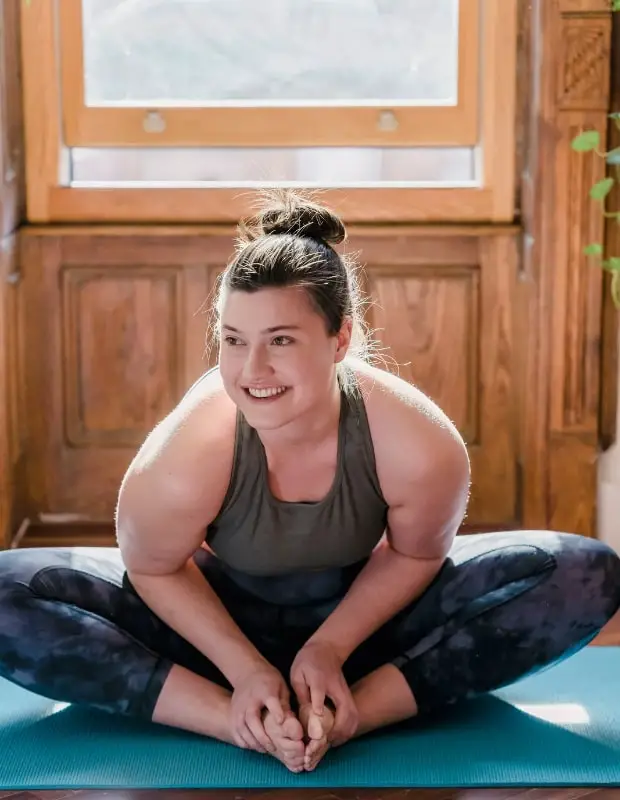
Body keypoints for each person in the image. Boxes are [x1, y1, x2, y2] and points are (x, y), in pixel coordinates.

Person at [0, 190, 619, 774]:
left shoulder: (417, 442)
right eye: (234, 340)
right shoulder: (193, 447)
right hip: (212, 633)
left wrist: (328, 649)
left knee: (586, 572)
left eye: (281, 341)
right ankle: (236, 721)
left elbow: (415, 555)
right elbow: (154, 568)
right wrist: (243, 676)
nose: (252, 370)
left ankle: (354, 714)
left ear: (340, 337)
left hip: (367, 628)